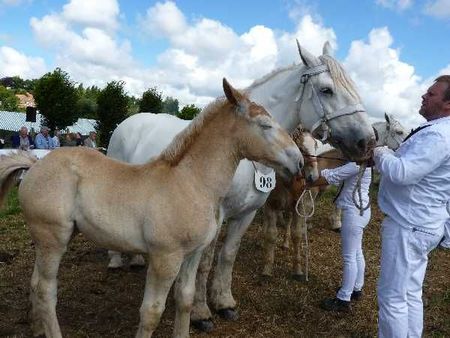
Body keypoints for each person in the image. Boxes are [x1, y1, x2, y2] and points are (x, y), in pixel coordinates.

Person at [373, 75, 450, 338]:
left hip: (409, 225)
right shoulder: (438, 131)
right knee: (409, 293)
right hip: (422, 223)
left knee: (392, 297)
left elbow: (403, 173)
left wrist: (380, 152)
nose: (424, 96)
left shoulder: (439, 136)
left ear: (448, 105)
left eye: (431, 94)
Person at [309, 162, 371, 312]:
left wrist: (307, 183)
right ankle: (356, 288)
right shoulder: (366, 164)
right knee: (357, 252)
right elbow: (335, 172)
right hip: (362, 210)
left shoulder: (356, 165)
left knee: (349, 256)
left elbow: (332, 176)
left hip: (353, 212)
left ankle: (343, 299)